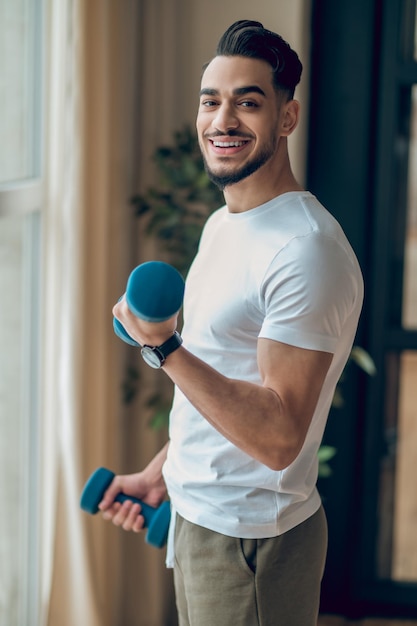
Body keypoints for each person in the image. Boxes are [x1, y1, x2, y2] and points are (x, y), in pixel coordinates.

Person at [100, 20, 363, 626]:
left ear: (287, 118)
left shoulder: (304, 249)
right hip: (201, 520)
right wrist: (162, 474)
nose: (223, 120)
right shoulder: (225, 224)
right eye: (210, 101)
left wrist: (165, 348)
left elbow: (276, 437)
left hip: (250, 542)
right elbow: (223, 377)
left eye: (248, 102)